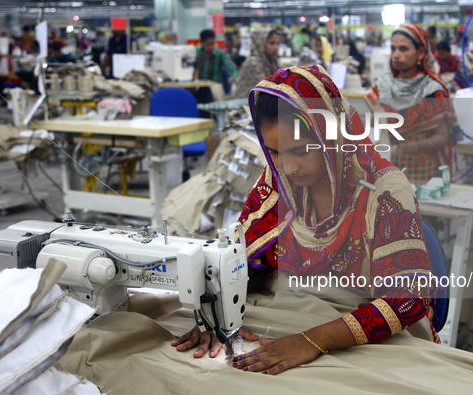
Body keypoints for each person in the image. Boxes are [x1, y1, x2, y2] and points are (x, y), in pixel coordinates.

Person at [172, 65, 438, 374]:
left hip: (363, 325)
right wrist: (212, 317)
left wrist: (312, 341)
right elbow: (239, 257)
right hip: (288, 308)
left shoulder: (385, 191)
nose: (289, 167)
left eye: (300, 151)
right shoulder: (278, 184)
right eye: (275, 152)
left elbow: (407, 300)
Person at [366, 24, 456, 183]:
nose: (396, 55)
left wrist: (418, 146)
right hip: (389, 167)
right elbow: (374, 130)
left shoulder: (434, 89)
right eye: (393, 49)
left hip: (423, 171)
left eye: (403, 49)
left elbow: (442, 136)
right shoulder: (384, 85)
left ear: (420, 52)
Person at [234, 29, 280, 99]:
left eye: (277, 43)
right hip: (247, 104)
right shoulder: (253, 63)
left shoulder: (271, 62)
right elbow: (267, 89)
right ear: (261, 43)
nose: (276, 47)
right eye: (272, 43)